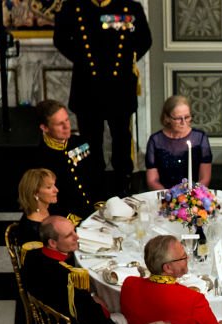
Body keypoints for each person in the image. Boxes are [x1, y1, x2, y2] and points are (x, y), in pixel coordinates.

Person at [52, 0, 150, 192]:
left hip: (119, 86)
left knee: (122, 137)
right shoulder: (72, 7)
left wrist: (124, 63)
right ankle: (92, 183)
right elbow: (61, 40)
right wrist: (83, 61)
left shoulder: (131, 8)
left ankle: (124, 181)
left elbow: (144, 40)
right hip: (87, 86)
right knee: (90, 140)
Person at [21, 216, 121, 324]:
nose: (77, 237)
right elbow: (97, 320)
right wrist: (102, 306)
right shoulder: (68, 278)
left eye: (74, 231)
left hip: (46, 322)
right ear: (52, 243)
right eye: (69, 235)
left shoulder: (31, 255)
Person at [33, 99, 100, 222]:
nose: (67, 126)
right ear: (45, 128)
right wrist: (69, 218)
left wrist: (100, 203)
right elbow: (45, 199)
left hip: (93, 211)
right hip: (66, 220)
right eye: (60, 124)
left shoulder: (79, 143)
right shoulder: (40, 158)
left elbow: (95, 175)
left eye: (67, 120)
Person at [145, 95, 212, 190]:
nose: (183, 122)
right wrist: (169, 196)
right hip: (164, 195)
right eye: (178, 118)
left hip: (193, 196)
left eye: (187, 117)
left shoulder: (200, 138)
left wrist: (192, 195)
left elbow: (205, 178)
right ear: (167, 118)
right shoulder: (155, 140)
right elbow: (152, 180)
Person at [16, 168, 58, 246]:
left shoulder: (49, 209)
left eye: (54, 185)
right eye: (49, 187)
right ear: (35, 193)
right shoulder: (32, 229)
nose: (56, 190)